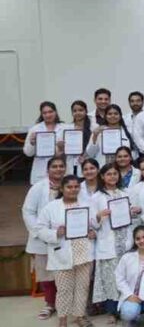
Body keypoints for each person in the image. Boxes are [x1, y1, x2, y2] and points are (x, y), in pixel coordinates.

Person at [36, 174, 97, 327]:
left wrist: (93, 232)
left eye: (76, 187)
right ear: (62, 189)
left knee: (82, 287)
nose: (73, 189)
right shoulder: (51, 207)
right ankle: (62, 319)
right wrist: (55, 233)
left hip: (83, 252)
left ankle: (79, 316)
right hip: (62, 254)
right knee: (64, 289)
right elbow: (40, 229)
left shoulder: (87, 205)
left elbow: (95, 225)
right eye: (69, 187)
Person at [22, 156, 67, 321]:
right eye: (54, 166)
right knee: (46, 273)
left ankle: (65, 305)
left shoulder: (70, 185)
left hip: (65, 237)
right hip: (42, 239)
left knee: (64, 272)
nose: (58, 169)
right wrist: (41, 233)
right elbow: (28, 211)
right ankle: (49, 304)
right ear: (47, 170)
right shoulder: (38, 188)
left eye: (61, 166)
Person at [91, 164, 134, 322]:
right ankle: (112, 312)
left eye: (115, 174)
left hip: (125, 241)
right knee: (111, 280)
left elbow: (132, 218)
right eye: (108, 174)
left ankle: (127, 309)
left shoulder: (125, 193)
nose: (112, 177)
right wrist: (98, 216)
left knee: (126, 277)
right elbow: (92, 224)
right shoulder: (97, 197)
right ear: (102, 177)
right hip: (108, 243)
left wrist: (132, 212)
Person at [23, 101, 67, 184]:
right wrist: (32, 143)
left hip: (59, 169)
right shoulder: (35, 129)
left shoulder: (65, 128)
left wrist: (62, 149)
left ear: (55, 112)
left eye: (50, 112)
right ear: (41, 114)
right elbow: (28, 153)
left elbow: (71, 151)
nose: (48, 115)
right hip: (40, 171)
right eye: (45, 113)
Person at [63, 100, 95, 177]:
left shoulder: (94, 127)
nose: (77, 113)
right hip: (71, 164)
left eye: (80, 110)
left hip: (89, 163)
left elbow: (96, 146)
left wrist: (85, 156)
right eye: (75, 111)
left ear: (86, 111)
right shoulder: (67, 128)